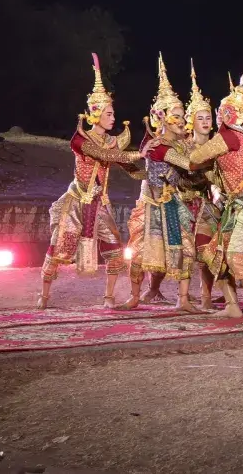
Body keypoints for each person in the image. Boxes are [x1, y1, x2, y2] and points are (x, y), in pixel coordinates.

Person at [38, 54, 140, 309]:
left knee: (116, 250)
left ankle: (108, 297)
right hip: (76, 201)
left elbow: (127, 166)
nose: (113, 117)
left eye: (113, 112)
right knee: (58, 249)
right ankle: (44, 294)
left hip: (99, 202)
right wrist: (140, 152)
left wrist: (150, 171)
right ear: (95, 115)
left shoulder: (110, 141)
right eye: (108, 113)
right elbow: (106, 155)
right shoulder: (80, 139)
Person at [190, 64, 243, 323]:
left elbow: (195, 157)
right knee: (216, 253)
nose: (216, 117)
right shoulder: (240, 137)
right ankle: (232, 304)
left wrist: (196, 156)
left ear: (227, 114)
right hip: (240, 208)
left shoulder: (228, 136)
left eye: (219, 112)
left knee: (236, 257)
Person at [121, 55, 204, 313]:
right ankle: (134, 296)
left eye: (183, 115)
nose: (183, 120)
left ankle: (183, 299)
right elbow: (189, 165)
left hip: (172, 202)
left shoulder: (176, 144)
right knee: (139, 251)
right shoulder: (158, 147)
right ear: (163, 118)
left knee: (185, 248)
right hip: (152, 205)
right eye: (177, 116)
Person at [181, 60, 222, 310]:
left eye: (208, 117)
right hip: (184, 201)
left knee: (207, 253)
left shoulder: (218, 144)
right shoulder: (184, 146)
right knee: (185, 253)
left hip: (209, 204)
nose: (206, 121)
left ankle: (206, 295)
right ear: (191, 121)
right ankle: (180, 297)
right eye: (200, 118)